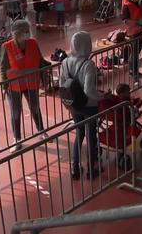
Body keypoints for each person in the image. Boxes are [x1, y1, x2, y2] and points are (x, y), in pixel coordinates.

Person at [60, 31, 107, 180]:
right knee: (91, 135)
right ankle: (91, 170)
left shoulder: (65, 62)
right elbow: (89, 91)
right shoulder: (88, 65)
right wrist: (102, 96)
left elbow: (62, 85)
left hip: (74, 105)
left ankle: (75, 167)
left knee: (79, 133)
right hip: (89, 106)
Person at [0, 20, 48, 152]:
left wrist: (45, 78)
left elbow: (40, 60)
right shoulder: (7, 47)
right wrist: (4, 87)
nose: (28, 34)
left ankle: (41, 131)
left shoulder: (33, 43)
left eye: (28, 31)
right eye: (25, 31)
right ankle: (17, 139)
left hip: (31, 82)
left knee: (35, 107)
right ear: (17, 33)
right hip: (14, 86)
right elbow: (3, 69)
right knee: (16, 112)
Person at [122, 0, 142, 80]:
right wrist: (137, 22)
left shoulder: (138, 4)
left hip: (140, 31)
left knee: (136, 52)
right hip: (133, 32)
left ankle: (133, 70)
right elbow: (125, 21)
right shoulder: (127, 6)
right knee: (135, 52)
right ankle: (134, 72)